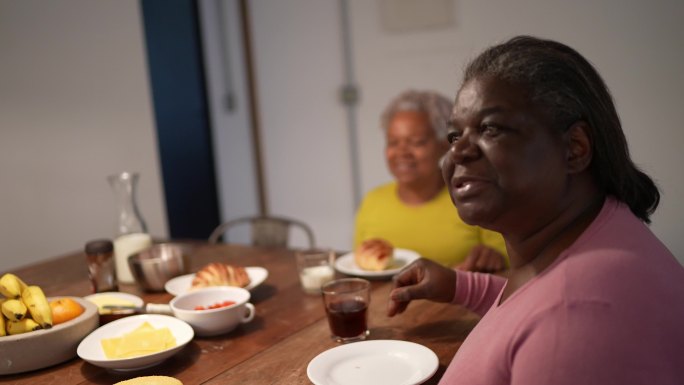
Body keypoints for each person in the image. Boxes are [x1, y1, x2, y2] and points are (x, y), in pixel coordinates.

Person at [387, 36, 684, 385]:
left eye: (490, 128)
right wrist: (458, 286)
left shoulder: (575, 320)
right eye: (454, 135)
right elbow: (529, 308)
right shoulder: (594, 232)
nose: (458, 152)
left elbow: (554, 317)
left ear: (574, 148)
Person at [354, 90, 507, 270]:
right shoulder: (372, 201)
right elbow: (358, 268)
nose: (402, 152)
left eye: (417, 142)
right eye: (393, 142)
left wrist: (494, 259)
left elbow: (508, 261)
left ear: (445, 145)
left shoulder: (473, 196)